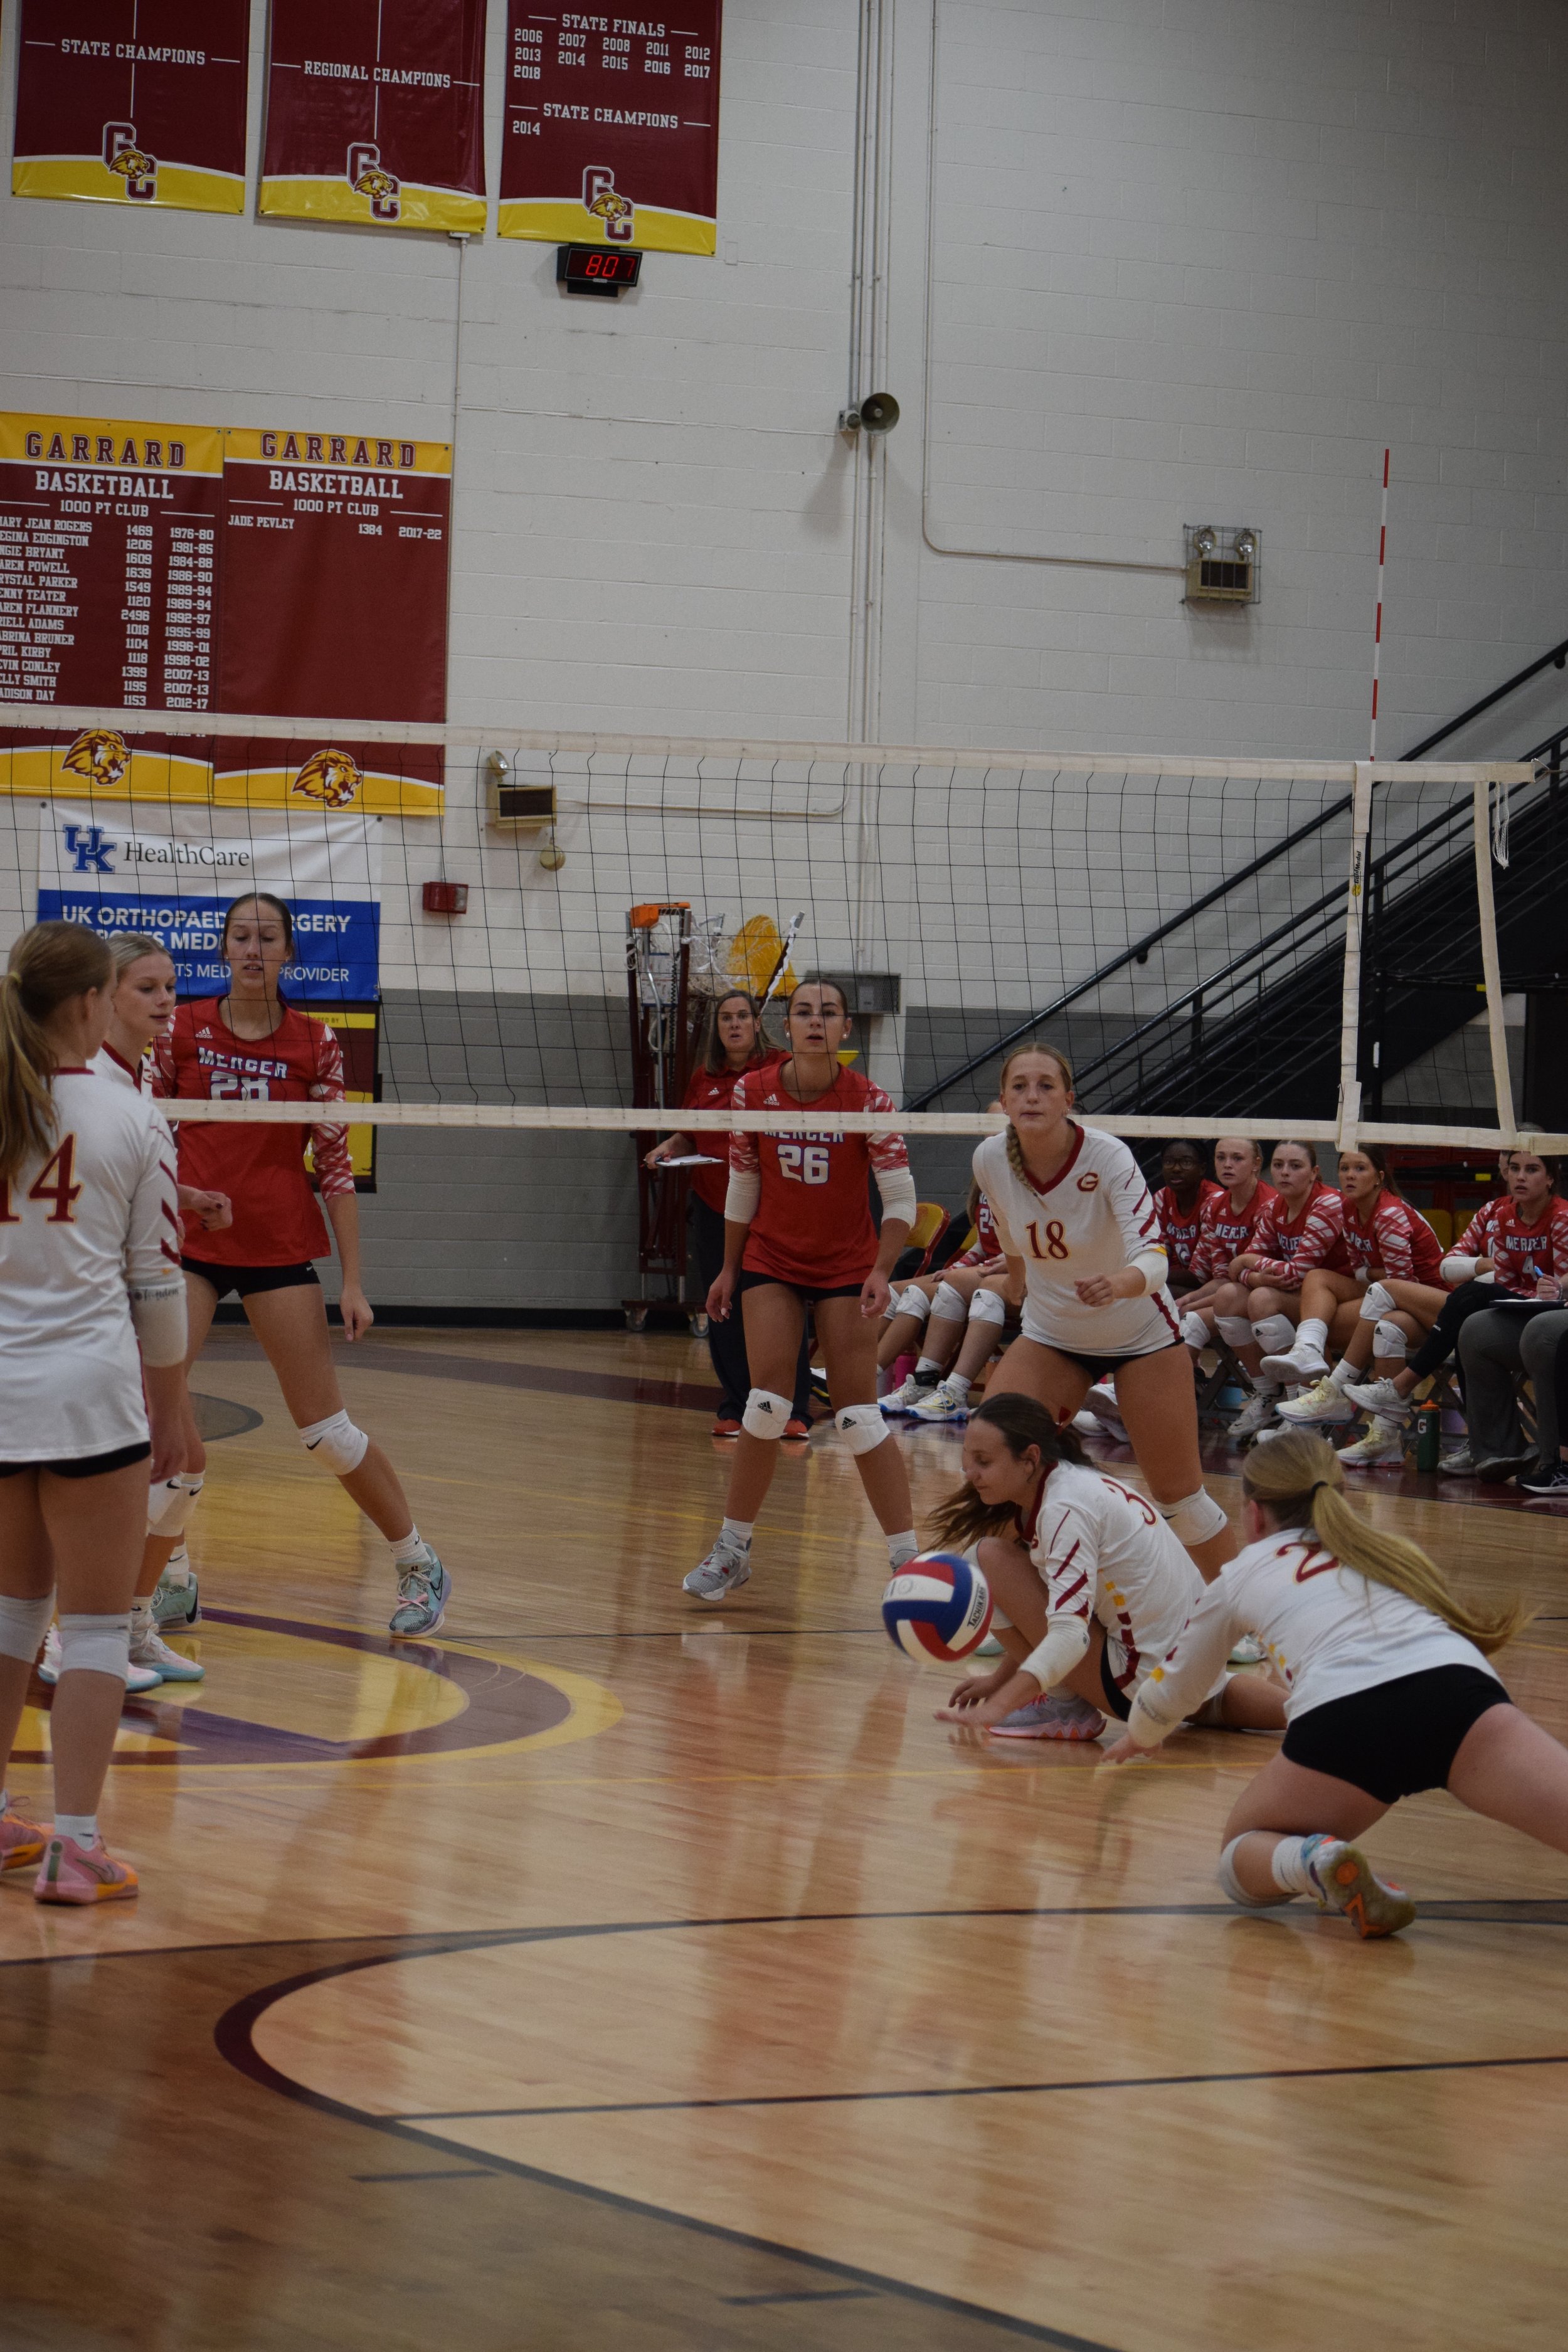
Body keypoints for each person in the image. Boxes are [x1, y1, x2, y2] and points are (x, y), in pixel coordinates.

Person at [1101, 1428, 1562, 1942]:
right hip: (1459, 1692)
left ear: (1254, 1514)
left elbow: (1179, 1684)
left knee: (1240, 1859)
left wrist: (1141, 1733)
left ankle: (1314, 1860)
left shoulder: (1241, 1573)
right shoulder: (1387, 1550)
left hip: (1348, 1718)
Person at [156, 892, 449, 1638]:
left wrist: (353, 1281)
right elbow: (145, 1137)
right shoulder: (180, 1029)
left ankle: (418, 1561)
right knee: (160, 1414)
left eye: (267, 938)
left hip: (279, 1243)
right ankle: (173, 1577)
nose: (253, 950)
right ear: (222, 949)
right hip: (189, 1243)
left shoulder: (316, 1042)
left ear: (289, 952)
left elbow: (337, 1168)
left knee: (325, 1433)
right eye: (240, 937)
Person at [0, 921, 187, 1904]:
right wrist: (174, 1406)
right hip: (90, 1402)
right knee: (100, 1627)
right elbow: (157, 1288)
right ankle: (75, 1845)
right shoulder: (131, 1116)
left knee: (10, 1614)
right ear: (89, 1002)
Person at [686, 977, 919, 1601]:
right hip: (772, 1259)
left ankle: (908, 1562)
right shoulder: (753, 1091)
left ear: (846, 1028)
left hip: (847, 1266)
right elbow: (743, 1184)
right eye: (804, 1012)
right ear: (786, 1026)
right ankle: (732, 1550)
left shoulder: (868, 1100)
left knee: (858, 1415)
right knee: (766, 1404)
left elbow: (900, 1199)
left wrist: (882, 1270)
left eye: (829, 1012)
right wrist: (729, 1268)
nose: (816, 1021)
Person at [968, 1044, 1236, 1586]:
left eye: (1046, 1086)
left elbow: (1154, 1260)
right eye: (1020, 1086)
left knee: (1180, 1497)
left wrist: (1116, 1284)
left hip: (1141, 1336)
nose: (1032, 1096)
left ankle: (1243, 1612)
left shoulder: (1108, 1156)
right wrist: (1017, 1283)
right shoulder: (990, 1158)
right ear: (1004, 1100)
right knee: (996, 1464)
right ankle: (1019, 1603)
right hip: (1052, 1335)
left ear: (1069, 1100)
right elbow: (1008, 1229)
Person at [929, 1395, 1285, 1740]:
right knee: (1274, 1711)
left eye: (983, 1462)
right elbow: (1049, 1611)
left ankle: (1064, 1706)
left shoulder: (1063, 1511)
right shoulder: (1077, 1482)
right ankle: (1321, 1716)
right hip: (1198, 1670)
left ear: (1030, 1459)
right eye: (967, 1460)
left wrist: (1000, 1704)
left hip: (1139, 1683)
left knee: (984, 1559)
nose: (970, 1474)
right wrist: (999, 1680)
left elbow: (1069, 1635)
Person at [645, 988, 811, 1439]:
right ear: (717, 1029)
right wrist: (669, 1146)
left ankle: (794, 1408)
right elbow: (690, 1134)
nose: (734, 1024)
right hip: (715, 1207)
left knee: (782, 1306)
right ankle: (736, 1406)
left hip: (770, 1209)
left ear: (757, 1024)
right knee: (723, 1306)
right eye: (726, 1018)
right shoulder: (705, 1077)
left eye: (742, 1016)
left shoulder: (781, 1068)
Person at [1344, 1152, 1568, 1476]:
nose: (1519, 1176)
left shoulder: (1560, 1216)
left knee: (1462, 1295)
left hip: (1553, 1316)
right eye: (1514, 1168)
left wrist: (1551, 1288)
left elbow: (1559, 1284)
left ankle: (1384, 1387)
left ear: (1550, 1178)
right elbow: (1463, 1270)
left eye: (1531, 1170)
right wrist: (1493, 1273)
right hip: (1519, 1309)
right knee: (1464, 1320)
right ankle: (1485, 1445)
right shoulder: (1502, 1215)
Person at [1266, 1146, 1446, 1463]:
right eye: (1345, 1168)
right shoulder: (1348, 1209)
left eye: (1360, 1169)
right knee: (1318, 1279)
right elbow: (1358, 1270)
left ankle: (1331, 1395)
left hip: (1429, 1304)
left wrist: (1372, 1275)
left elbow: (1401, 1284)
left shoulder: (1389, 1213)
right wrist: (1372, 1274)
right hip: (1387, 1296)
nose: (1350, 1175)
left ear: (1379, 1178)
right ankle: (1309, 1351)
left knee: (1381, 1321)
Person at [1205, 1140, 1347, 1443]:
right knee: (1229, 1296)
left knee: (1262, 1299)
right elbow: (1236, 1272)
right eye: (1279, 1165)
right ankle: (1270, 1395)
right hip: (1302, 1295)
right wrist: (1255, 1273)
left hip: (1339, 1299)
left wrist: (1249, 1263)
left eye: (1295, 1166)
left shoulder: (1327, 1203)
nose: (1284, 1172)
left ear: (1314, 1173)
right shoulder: (1274, 1208)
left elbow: (1298, 1273)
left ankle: (1303, 1410)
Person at [1153, 1140, 1225, 1298]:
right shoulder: (1161, 1198)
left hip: (1216, 1287)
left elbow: (1200, 1275)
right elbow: (1159, 1256)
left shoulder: (1215, 1201)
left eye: (1186, 1162)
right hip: (1181, 1281)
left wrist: (1146, 1273)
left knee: (1148, 1291)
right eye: (1169, 1162)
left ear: (1202, 1168)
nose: (1176, 1169)